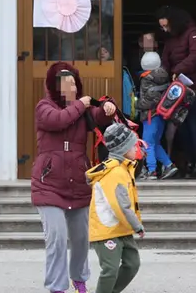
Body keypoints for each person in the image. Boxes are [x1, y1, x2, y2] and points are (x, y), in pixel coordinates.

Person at [31, 62, 117, 293]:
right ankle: (57, 287)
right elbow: (57, 120)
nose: (71, 87)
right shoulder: (44, 106)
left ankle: (79, 279)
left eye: (73, 83)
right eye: (65, 83)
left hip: (78, 183)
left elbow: (99, 116)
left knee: (80, 238)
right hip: (48, 185)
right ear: (54, 86)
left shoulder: (82, 110)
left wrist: (108, 108)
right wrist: (80, 104)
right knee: (57, 238)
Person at [86, 123, 145, 293]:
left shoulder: (124, 168)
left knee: (132, 264)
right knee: (110, 270)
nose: (137, 147)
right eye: (134, 145)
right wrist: (137, 225)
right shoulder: (115, 173)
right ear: (123, 149)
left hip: (121, 227)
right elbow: (120, 206)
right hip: (107, 229)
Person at [156, 6, 196, 178]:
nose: (164, 29)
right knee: (183, 127)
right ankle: (189, 162)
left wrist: (177, 70)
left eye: (166, 26)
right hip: (178, 90)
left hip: (195, 88)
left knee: (194, 125)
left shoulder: (193, 33)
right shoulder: (170, 40)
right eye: (162, 27)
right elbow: (165, 60)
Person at [136, 51, 179, 180]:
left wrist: (137, 104)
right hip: (161, 116)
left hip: (150, 116)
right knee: (155, 143)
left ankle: (152, 170)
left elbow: (147, 101)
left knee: (147, 143)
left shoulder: (146, 79)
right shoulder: (163, 77)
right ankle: (169, 165)